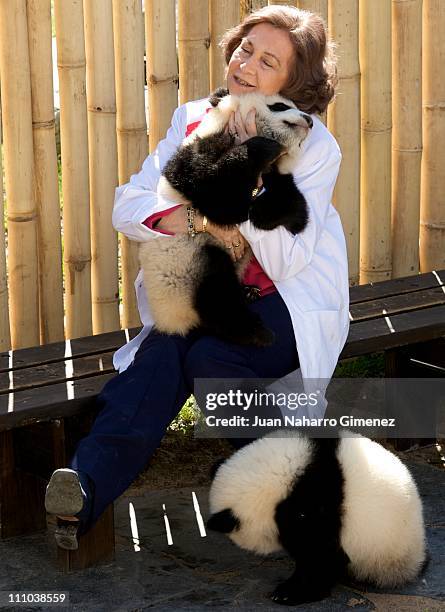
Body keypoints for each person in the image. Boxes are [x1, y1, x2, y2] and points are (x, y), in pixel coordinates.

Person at [44, 4, 350, 550]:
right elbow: (129, 205)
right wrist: (195, 216)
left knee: (208, 359)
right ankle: (81, 491)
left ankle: (299, 495)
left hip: (282, 303)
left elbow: (286, 259)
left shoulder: (312, 145)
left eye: (268, 61)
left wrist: (245, 179)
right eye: (245, 49)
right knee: (169, 354)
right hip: (204, 293)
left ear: (295, 84)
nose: (246, 64)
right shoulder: (191, 117)